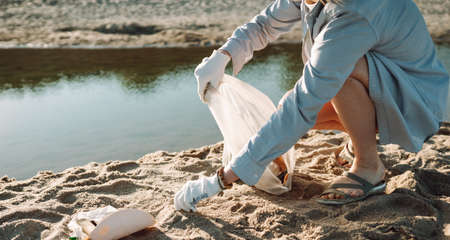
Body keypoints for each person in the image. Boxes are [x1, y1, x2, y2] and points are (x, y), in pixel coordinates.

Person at [174, 0, 449, 211]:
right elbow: (265, 24)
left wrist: (223, 178)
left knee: (335, 76)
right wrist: (222, 55)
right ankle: (359, 138)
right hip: (386, 82)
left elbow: (304, 101)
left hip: (414, 101)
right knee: (298, 102)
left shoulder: (355, 12)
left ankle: (369, 167)